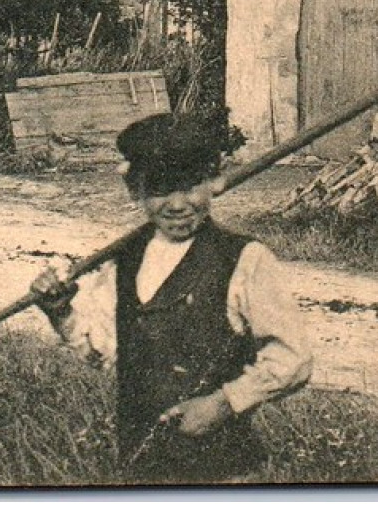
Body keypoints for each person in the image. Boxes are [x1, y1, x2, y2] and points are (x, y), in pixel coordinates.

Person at [31, 113, 312, 484]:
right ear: (136, 190)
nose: (178, 203)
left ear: (215, 182)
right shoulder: (126, 261)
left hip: (224, 472)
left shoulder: (245, 259)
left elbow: (293, 358)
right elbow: (111, 353)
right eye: (161, 188)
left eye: (191, 185)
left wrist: (224, 402)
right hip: (140, 464)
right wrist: (60, 311)